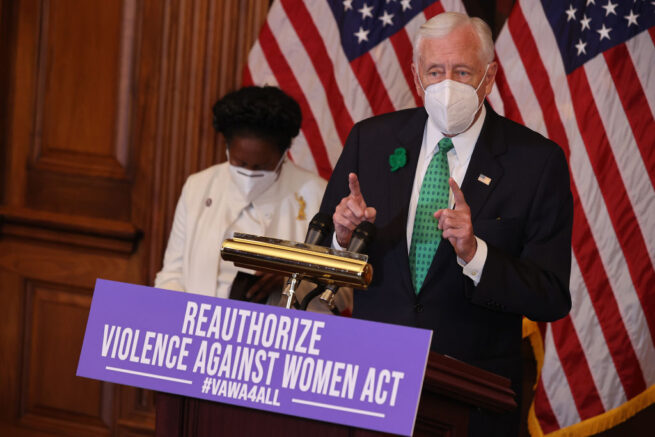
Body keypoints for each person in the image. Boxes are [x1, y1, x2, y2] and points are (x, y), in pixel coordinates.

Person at [319, 12, 572, 435]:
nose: (447, 83)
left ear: (488, 77)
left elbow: (551, 296)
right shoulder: (371, 140)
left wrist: (476, 255)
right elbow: (322, 242)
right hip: (373, 385)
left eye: (462, 71)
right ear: (416, 77)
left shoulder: (537, 161)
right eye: (435, 71)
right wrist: (343, 238)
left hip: (474, 401)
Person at [155, 86, 351, 313]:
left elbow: (344, 292)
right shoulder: (198, 187)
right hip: (197, 329)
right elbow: (172, 273)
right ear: (228, 149)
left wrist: (292, 279)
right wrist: (177, 319)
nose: (249, 173)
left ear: (283, 154)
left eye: (262, 166)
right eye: (240, 163)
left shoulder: (316, 193)